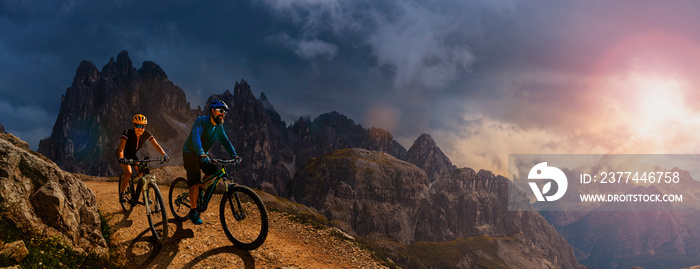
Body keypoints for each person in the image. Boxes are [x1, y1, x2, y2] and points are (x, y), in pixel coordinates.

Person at [182, 100, 239, 224]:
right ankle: (193, 211)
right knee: (195, 180)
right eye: (221, 111)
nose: (223, 114)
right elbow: (196, 137)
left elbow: (226, 141)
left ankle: (201, 188)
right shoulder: (201, 121)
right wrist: (201, 152)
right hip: (190, 153)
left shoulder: (219, 127)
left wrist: (234, 155)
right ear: (212, 111)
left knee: (214, 171)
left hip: (202, 155)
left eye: (225, 112)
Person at [117, 114, 170, 202]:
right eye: (138, 125)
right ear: (134, 125)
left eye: (143, 126)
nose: (140, 128)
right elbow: (121, 148)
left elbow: (156, 145)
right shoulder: (127, 132)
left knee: (141, 174)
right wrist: (121, 158)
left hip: (133, 155)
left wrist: (164, 154)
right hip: (124, 155)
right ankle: (122, 193)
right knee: (129, 173)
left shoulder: (146, 133)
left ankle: (145, 197)